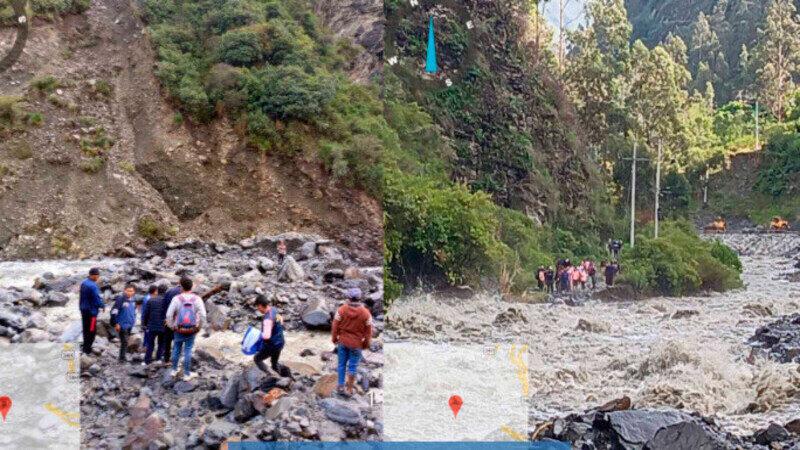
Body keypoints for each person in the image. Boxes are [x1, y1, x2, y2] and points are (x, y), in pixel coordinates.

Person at [331, 288, 373, 396]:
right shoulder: (366, 313)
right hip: (356, 344)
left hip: (343, 342)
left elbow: (335, 326)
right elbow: (369, 332)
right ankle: (349, 389)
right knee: (353, 366)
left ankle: (340, 386)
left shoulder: (341, 310)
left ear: (349, 298)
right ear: (359, 298)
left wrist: (334, 338)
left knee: (341, 364)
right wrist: (366, 344)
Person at [165, 277, 206, 380]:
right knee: (188, 350)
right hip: (191, 328)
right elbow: (203, 315)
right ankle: (187, 374)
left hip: (178, 328)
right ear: (191, 286)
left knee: (176, 348)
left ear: (181, 287)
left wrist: (171, 326)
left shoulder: (176, 299)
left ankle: (174, 370)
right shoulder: (197, 299)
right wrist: (199, 327)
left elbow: (169, 314)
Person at [253, 294, 288, 377]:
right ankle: (280, 380)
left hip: (272, 345)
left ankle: (272, 375)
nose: (258, 309)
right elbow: (281, 319)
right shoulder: (273, 309)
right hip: (280, 342)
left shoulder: (267, 319)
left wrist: (257, 336)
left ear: (261, 305)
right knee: (274, 362)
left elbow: (267, 336)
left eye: (258, 307)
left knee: (257, 359)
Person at [79, 268, 105, 355]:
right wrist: (103, 305)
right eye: (97, 275)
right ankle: (87, 349)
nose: (98, 277)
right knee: (92, 330)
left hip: (83, 309)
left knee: (85, 329)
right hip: (91, 312)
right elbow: (97, 299)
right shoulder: (93, 286)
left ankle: (85, 347)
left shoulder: (84, 283)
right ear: (92, 275)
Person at [142, 284, 169, 366]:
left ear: (157, 291)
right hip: (163, 326)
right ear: (166, 291)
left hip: (152, 326)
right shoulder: (167, 301)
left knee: (150, 343)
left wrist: (144, 324)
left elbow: (146, 313)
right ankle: (158, 359)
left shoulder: (151, 300)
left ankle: (147, 360)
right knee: (161, 343)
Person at [110, 284, 138, 363]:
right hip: (122, 324)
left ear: (134, 292)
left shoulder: (133, 300)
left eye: (131, 291)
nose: (130, 292)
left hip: (129, 324)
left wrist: (133, 319)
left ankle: (123, 356)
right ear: (124, 291)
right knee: (124, 341)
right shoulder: (120, 299)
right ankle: (122, 358)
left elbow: (133, 311)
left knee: (126, 340)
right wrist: (116, 323)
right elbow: (114, 311)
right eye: (128, 291)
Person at [160, 280, 183, 363]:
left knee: (168, 340)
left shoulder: (169, 291)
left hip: (168, 320)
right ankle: (175, 359)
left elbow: (163, 305)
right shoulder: (184, 293)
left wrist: (164, 319)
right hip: (179, 321)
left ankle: (166, 359)